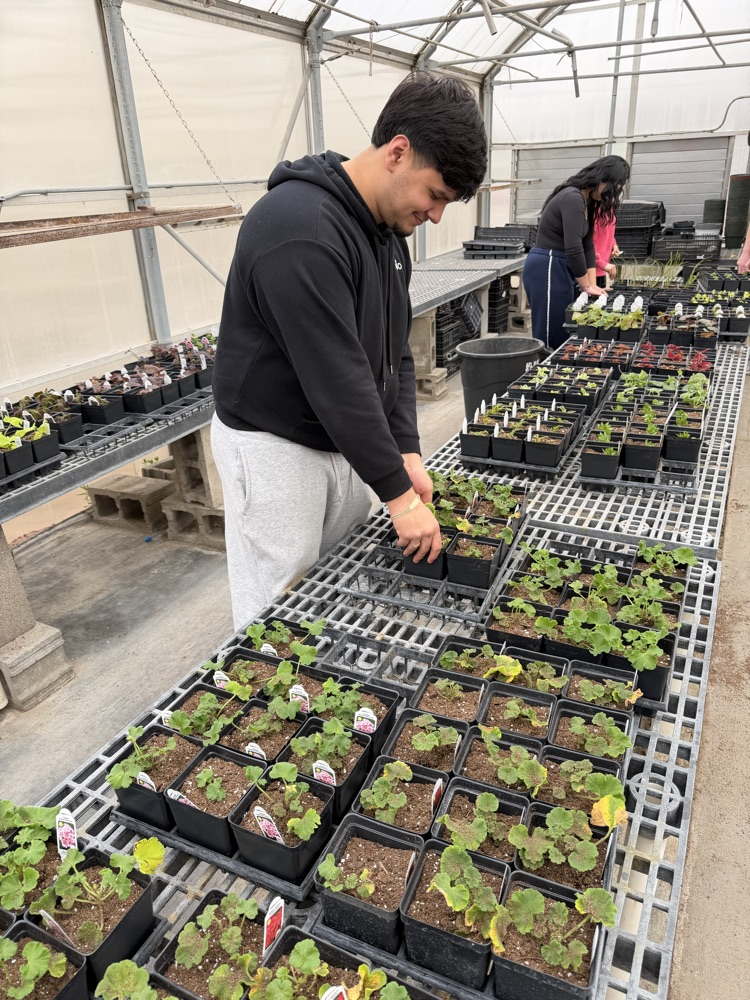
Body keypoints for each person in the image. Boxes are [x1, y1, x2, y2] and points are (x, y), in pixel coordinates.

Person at [210, 73, 488, 629]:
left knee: (339, 587)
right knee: (279, 604)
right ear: (398, 153)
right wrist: (399, 498)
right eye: (435, 195)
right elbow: (336, 377)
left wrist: (406, 452)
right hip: (275, 446)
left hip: (341, 439)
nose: (436, 215)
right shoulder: (300, 228)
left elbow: (393, 352)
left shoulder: (384, 234)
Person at [522, 155, 630, 350]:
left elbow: (587, 244)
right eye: (613, 189)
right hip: (548, 264)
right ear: (602, 179)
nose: (611, 196)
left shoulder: (587, 201)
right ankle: (543, 366)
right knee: (551, 331)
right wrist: (585, 286)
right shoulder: (572, 197)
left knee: (565, 326)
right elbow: (574, 246)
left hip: (561, 264)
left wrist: (592, 285)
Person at [593, 213, 621, 288]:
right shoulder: (591, 210)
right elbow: (581, 242)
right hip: (587, 271)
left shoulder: (610, 210)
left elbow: (607, 232)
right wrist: (601, 263)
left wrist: (613, 244)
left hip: (602, 268)